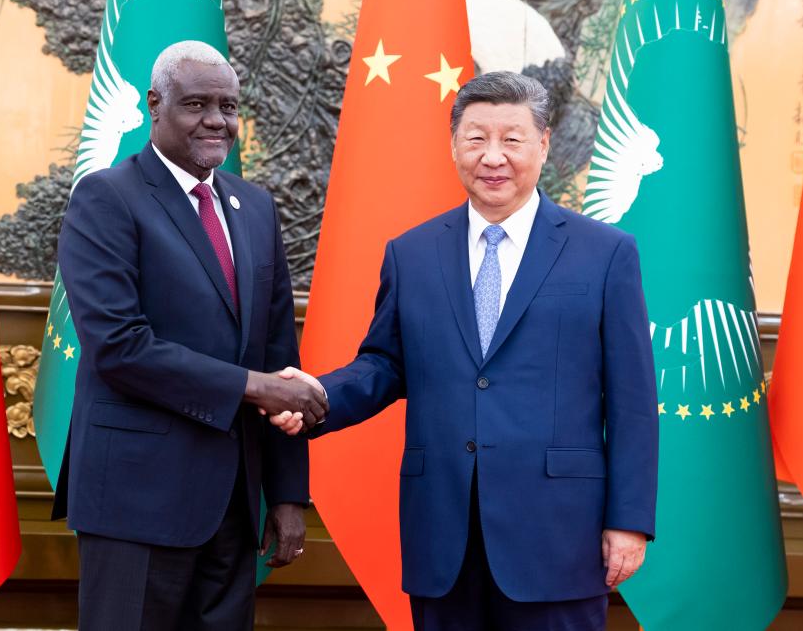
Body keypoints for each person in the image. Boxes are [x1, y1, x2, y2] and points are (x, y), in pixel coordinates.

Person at [276, 71, 658, 630]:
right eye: (477, 138)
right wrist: (316, 395)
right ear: (454, 145)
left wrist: (628, 520)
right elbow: (384, 365)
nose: (493, 157)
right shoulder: (412, 254)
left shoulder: (605, 254)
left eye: (512, 139)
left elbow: (631, 401)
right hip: (443, 532)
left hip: (557, 534)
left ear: (544, 144)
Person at [53, 40, 328, 631]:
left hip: (233, 503)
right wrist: (253, 388)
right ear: (155, 105)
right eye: (196, 104)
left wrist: (286, 495)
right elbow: (119, 347)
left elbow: (279, 356)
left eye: (228, 107)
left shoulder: (254, 207)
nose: (216, 121)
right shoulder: (106, 198)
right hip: (135, 503)